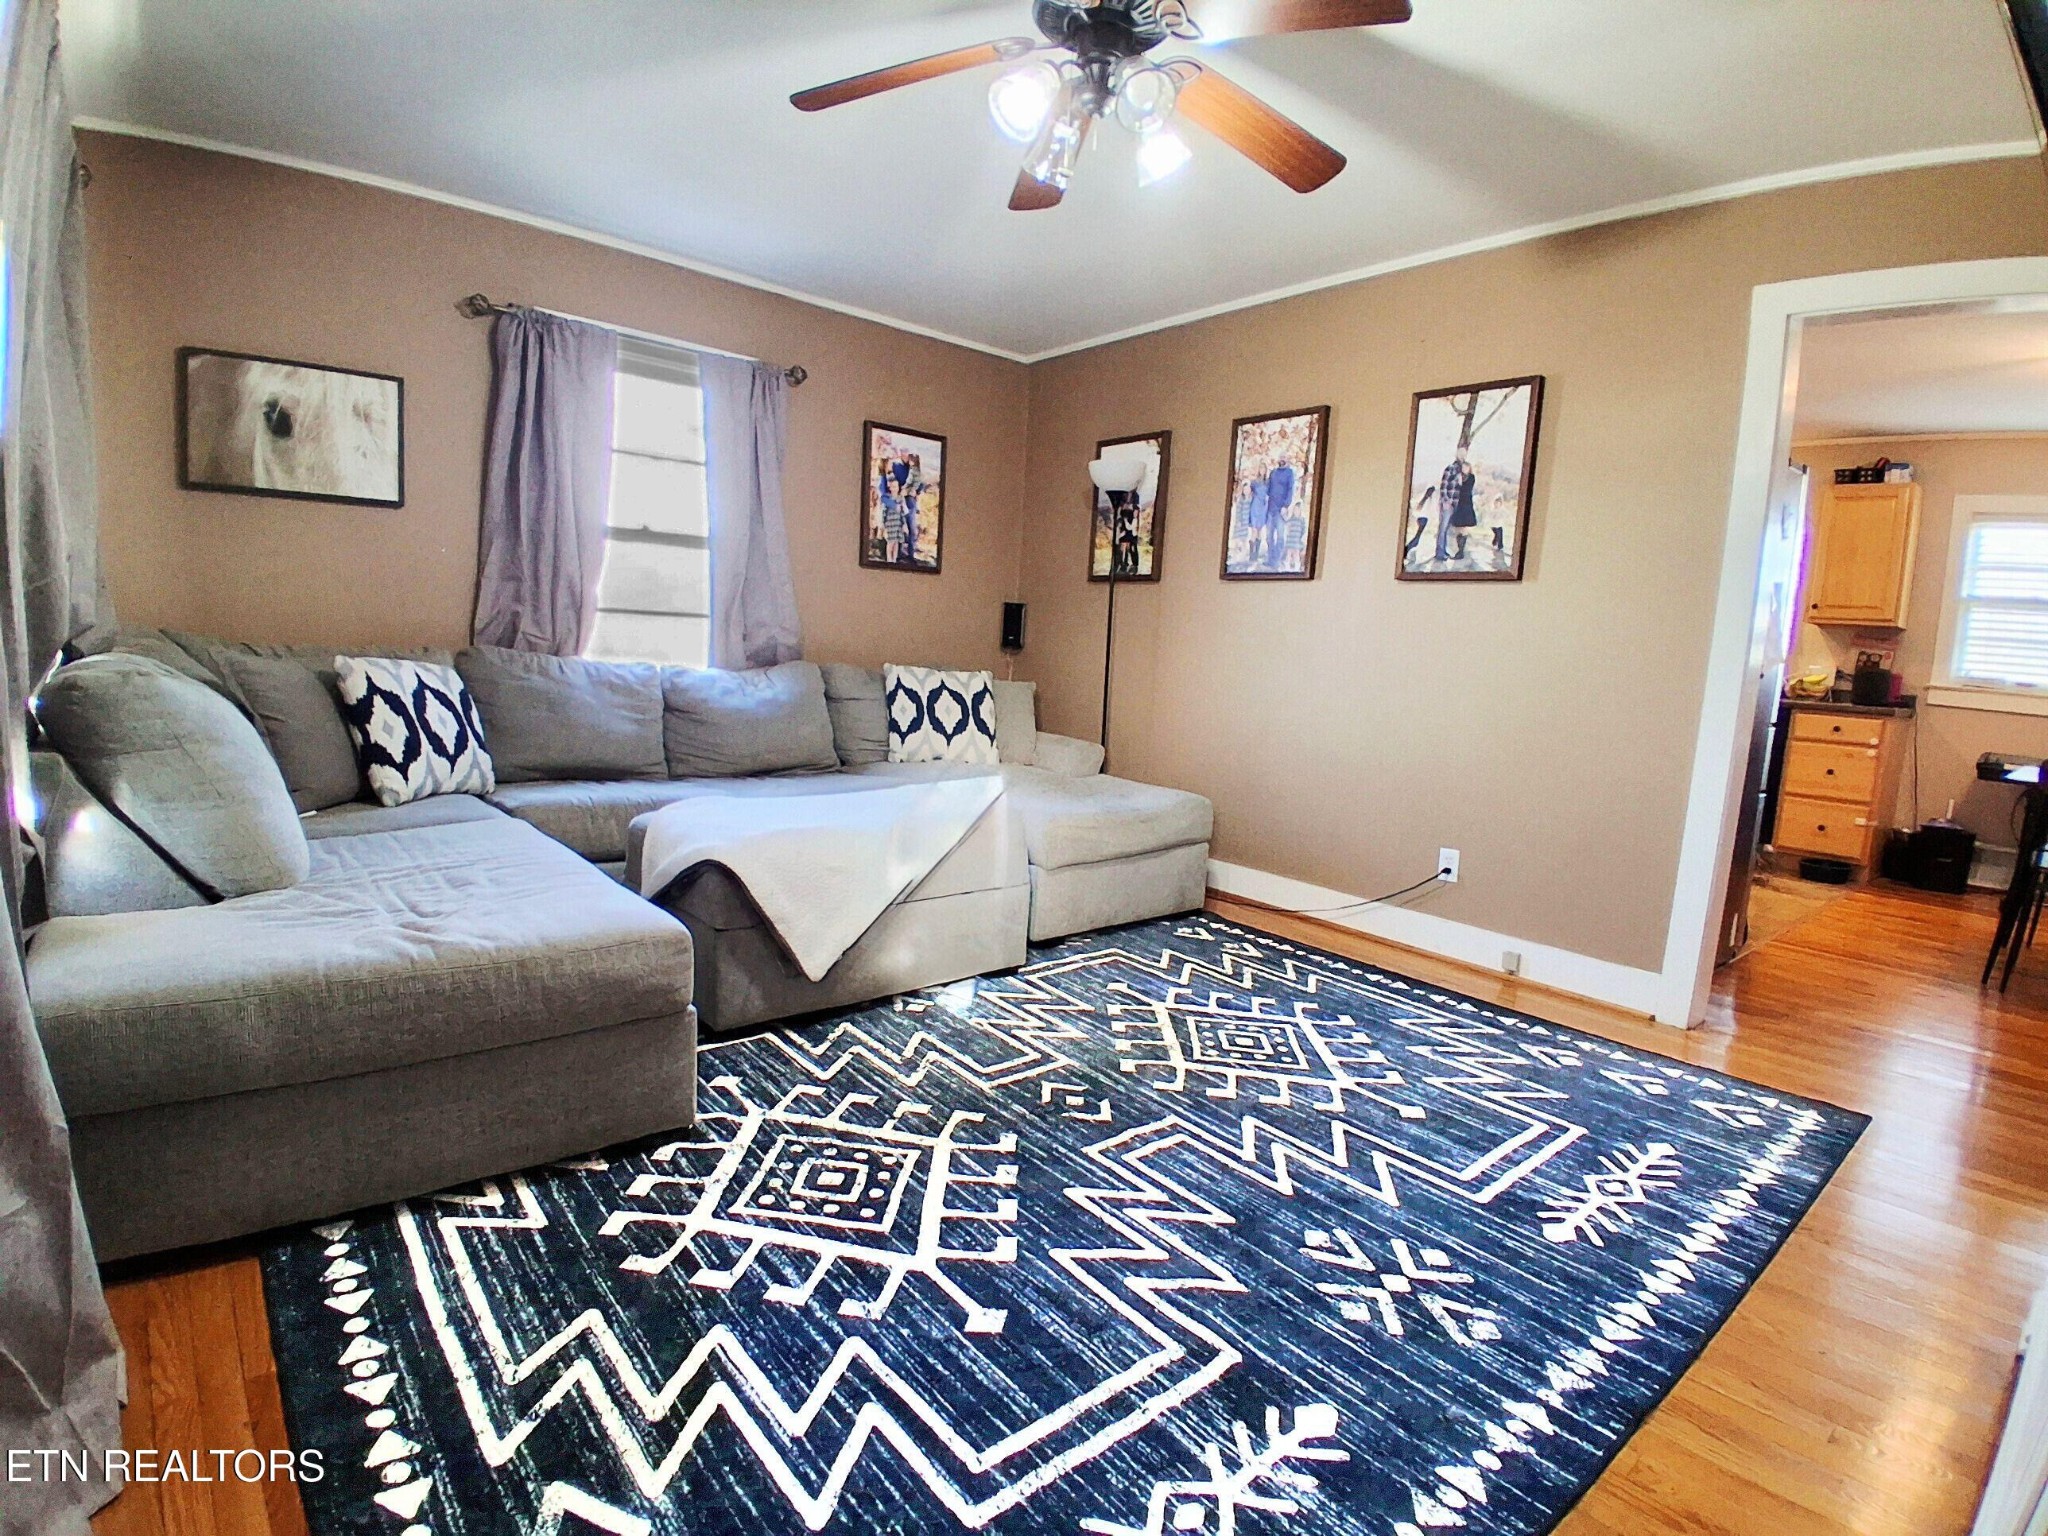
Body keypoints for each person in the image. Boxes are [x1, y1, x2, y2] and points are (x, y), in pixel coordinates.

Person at [1432, 450, 1477, 564]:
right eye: (1460, 454)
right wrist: (1445, 500)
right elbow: (1444, 485)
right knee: (1443, 528)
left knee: (1449, 529)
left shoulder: (1464, 472)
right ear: (1456, 455)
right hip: (1449, 503)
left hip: (1458, 504)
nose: (1462, 457)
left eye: (1464, 454)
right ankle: (1440, 552)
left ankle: (1445, 551)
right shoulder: (1450, 468)